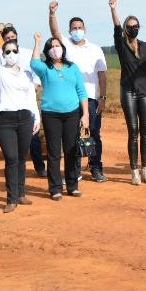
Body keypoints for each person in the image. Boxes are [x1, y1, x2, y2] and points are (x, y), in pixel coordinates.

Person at [48, 1, 108, 183]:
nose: (77, 30)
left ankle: (96, 167)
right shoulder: (66, 46)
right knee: (72, 135)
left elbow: (103, 75)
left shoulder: (96, 49)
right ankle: (74, 171)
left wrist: (103, 98)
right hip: (71, 98)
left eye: (79, 27)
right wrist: (52, 14)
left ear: (85, 29)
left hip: (91, 98)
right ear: (69, 30)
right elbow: (54, 33)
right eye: (73, 28)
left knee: (94, 133)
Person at [0, 29, 42, 213]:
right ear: (3, 55)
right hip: (6, 120)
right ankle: (11, 199)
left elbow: (31, 97)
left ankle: (21, 193)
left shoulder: (26, 74)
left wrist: (36, 117)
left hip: (25, 118)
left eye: (14, 51)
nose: (11, 54)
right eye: (7, 51)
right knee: (11, 158)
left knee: (22, 158)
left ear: (18, 53)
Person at [31, 36, 90, 200]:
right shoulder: (45, 69)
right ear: (47, 51)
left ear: (63, 48)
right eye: (51, 46)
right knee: (54, 152)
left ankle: (72, 185)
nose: (55, 48)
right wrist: (37, 42)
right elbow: (33, 63)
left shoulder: (72, 68)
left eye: (58, 45)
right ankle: (55, 188)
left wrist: (85, 114)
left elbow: (82, 92)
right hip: (51, 115)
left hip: (72, 113)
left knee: (71, 150)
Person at [109, 0, 146, 185]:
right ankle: (134, 170)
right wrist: (113, 10)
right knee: (133, 130)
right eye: (130, 26)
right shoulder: (121, 45)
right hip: (127, 91)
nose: (133, 28)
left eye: (136, 26)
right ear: (127, 28)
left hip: (145, 91)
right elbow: (117, 29)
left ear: (139, 28)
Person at [0, 24, 47, 177]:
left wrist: (34, 87)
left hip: (28, 97)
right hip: (10, 102)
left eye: (12, 37)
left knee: (33, 134)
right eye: (7, 38)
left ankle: (39, 167)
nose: (10, 40)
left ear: (17, 36)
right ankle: (15, 167)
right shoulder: (1, 56)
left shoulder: (26, 53)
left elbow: (36, 71)